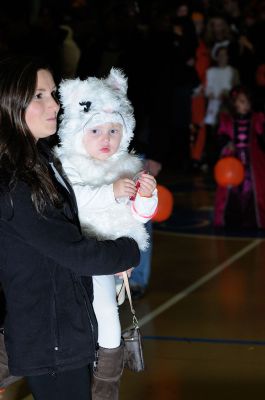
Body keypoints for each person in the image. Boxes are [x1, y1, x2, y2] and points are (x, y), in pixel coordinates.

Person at [0, 55, 140, 400]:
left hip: (64, 329)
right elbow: (75, 251)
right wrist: (128, 249)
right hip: (50, 340)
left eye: (53, 94)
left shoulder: (43, 159)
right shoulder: (16, 181)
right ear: (10, 103)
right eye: (40, 96)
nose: (54, 105)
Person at [56, 68, 157, 399]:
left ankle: (106, 388)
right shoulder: (67, 163)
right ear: (76, 130)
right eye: (96, 130)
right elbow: (74, 198)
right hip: (76, 250)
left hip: (107, 256)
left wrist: (146, 196)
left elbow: (139, 216)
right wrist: (111, 191)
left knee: (109, 327)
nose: (106, 139)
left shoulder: (127, 164)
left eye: (114, 130)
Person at [214, 85, 265, 228]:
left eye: (248, 102)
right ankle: (231, 219)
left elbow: (261, 139)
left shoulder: (257, 119)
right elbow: (220, 137)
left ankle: (253, 220)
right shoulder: (227, 120)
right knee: (232, 189)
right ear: (234, 103)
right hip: (232, 163)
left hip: (252, 163)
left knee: (252, 189)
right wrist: (227, 142)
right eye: (242, 101)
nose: (246, 105)